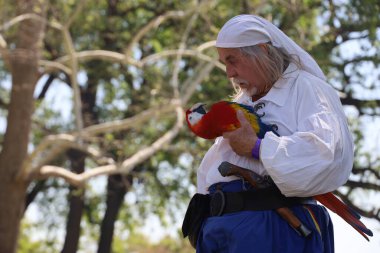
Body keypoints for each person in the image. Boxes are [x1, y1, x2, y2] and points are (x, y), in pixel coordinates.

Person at [189, 15, 354, 253]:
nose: (229, 73)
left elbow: (326, 155)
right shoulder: (241, 102)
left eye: (232, 60)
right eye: (224, 62)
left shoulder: (307, 88)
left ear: (262, 51)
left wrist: (257, 147)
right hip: (220, 231)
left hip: (275, 227)